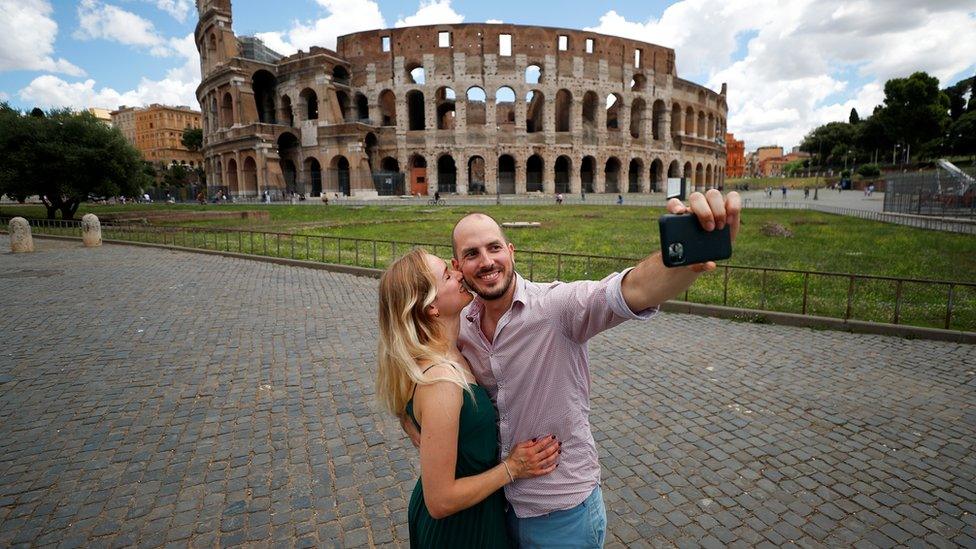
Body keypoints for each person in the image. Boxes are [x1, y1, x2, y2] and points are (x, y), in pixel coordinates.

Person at [401, 190, 741, 547]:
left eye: (494, 247)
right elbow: (406, 352)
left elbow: (633, 290)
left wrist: (686, 259)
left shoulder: (555, 307)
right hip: (496, 509)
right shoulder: (461, 325)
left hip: (561, 516)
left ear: (511, 251)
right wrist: (409, 418)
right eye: (471, 254)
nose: (486, 261)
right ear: (457, 266)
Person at [378, 249, 561, 548]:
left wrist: (409, 420)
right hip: (460, 529)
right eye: (447, 276)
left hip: (476, 512)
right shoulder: (441, 382)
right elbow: (439, 500)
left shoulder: (443, 350)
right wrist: (513, 468)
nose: (460, 273)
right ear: (431, 308)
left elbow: (405, 401)